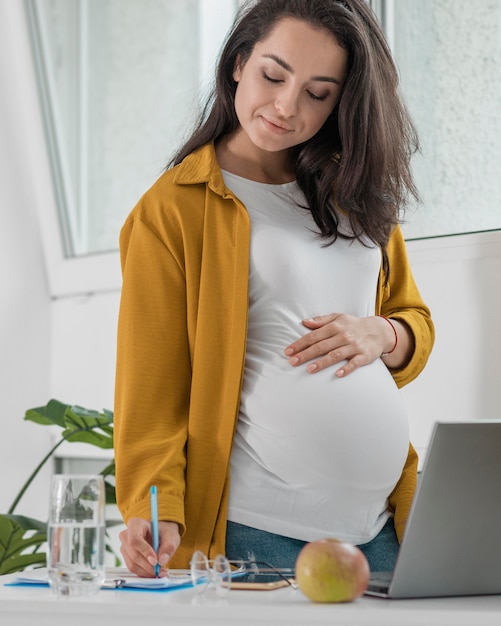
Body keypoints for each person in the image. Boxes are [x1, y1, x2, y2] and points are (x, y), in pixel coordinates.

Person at [114, 0, 434, 578]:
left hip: (383, 530)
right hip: (259, 533)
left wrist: (381, 333)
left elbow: (413, 324)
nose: (287, 106)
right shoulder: (173, 209)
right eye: (273, 75)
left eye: (318, 92)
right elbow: (151, 378)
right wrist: (150, 504)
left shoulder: (358, 196)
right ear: (239, 62)